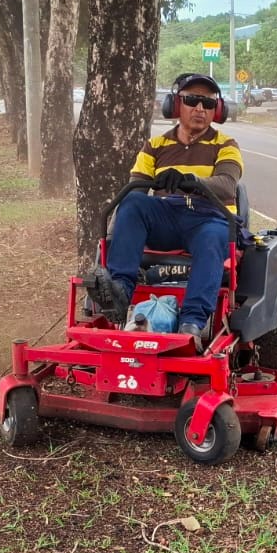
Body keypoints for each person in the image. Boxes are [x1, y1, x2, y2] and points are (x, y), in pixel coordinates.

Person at [84, 73, 243, 351]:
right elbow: (135, 188)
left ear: (217, 110)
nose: (200, 108)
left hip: (210, 216)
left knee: (210, 238)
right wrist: (111, 237)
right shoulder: (155, 146)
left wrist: (191, 181)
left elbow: (227, 185)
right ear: (175, 105)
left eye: (208, 103)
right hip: (166, 216)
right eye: (192, 100)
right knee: (134, 202)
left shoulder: (226, 145)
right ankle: (119, 292)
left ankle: (191, 322)